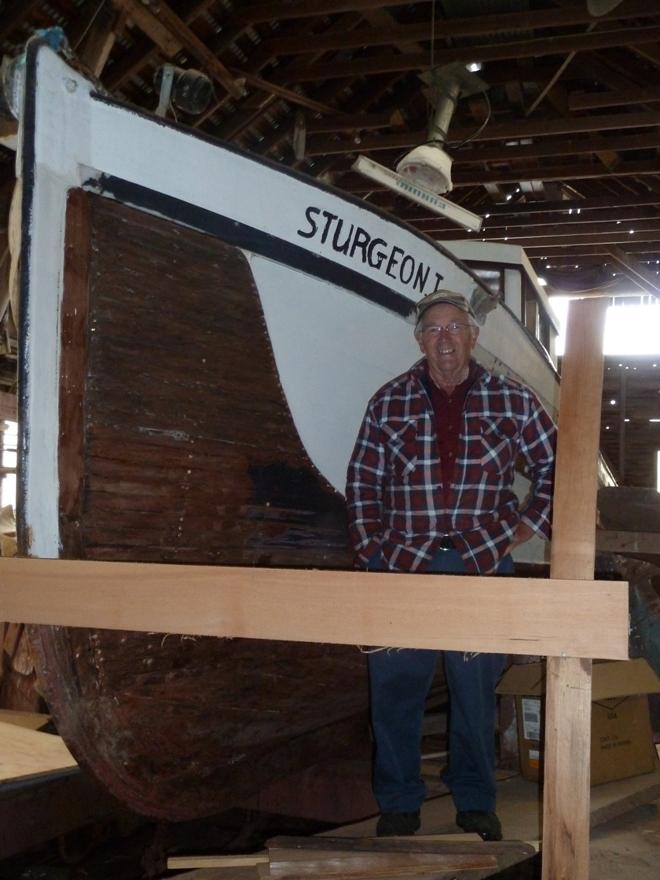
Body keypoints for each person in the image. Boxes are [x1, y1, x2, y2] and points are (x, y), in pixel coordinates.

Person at [345, 290, 556, 841]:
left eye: (454, 328)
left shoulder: (513, 400)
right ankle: (398, 803)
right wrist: (371, 551)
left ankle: (476, 800)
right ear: (420, 340)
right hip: (401, 566)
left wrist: (527, 527)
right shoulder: (387, 402)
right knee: (393, 693)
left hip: (482, 566)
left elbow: (558, 466)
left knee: (475, 695)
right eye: (433, 330)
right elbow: (363, 481)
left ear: (473, 335)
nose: (444, 339)